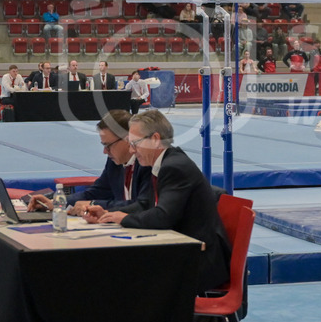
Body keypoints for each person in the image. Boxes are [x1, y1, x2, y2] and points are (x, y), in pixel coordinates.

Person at [83, 110, 232, 294]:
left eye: (134, 144)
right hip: (186, 254)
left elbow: (162, 217)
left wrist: (123, 219)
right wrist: (109, 216)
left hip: (200, 262)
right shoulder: (165, 163)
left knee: (122, 278)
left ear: (154, 139)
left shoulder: (174, 167)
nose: (131, 150)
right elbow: (146, 205)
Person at [28, 110, 152, 216]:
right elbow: (96, 192)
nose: (105, 151)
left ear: (128, 139)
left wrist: (94, 204)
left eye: (108, 146)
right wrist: (56, 202)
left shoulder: (147, 163)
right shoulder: (114, 162)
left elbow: (142, 206)